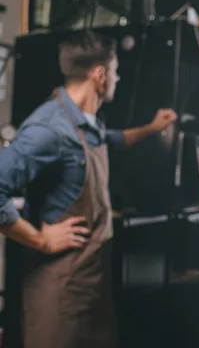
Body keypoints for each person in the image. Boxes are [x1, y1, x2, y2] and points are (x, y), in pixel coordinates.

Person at [0, 30, 178, 348]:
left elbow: (113, 139)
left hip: (93, 289)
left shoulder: (86, 122)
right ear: (100, 74)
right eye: (116, 70)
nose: (118, 78)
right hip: (58, 294)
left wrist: (152, 128)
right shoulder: (48, 129)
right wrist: (40, 240)